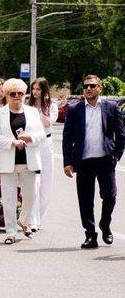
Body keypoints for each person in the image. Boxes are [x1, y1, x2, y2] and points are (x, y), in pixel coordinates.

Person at [62, 74, 125, 249]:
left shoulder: (111, 108)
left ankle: (105, 224)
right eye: (86, 86)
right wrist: (67, 162)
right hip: (83, 161)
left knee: (110, 196)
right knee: (85, 199)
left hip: (105, 160)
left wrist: (116, 156)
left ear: (100, 88)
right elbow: (67, 137)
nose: (88, 89)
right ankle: (90, 234)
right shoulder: (74, 109)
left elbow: (121, 135)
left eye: (92, 86)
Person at [0, 78, 46, 244]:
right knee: (8, 198)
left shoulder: (32, 112)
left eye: (20, 93)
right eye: (12, 94)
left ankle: (24, 220)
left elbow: (42, 135)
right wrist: (11, 142)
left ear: (24, 94)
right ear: (6, 95)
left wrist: (31, 138)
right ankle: (11, 232)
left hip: (29, 161)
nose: (16, 96)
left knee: (31, 196)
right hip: (8, 161)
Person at [27, 77, 58, 231]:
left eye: (38, 89)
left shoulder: (52, 106)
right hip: (33, 144)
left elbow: (47, 123)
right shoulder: (28, 106)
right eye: (33, 89)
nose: (35, 92)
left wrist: (41, 107)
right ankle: (31, 219)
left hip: (46, 143)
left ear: (45, 90)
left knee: (45, 183)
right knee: (34, 182)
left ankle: (39, 217)